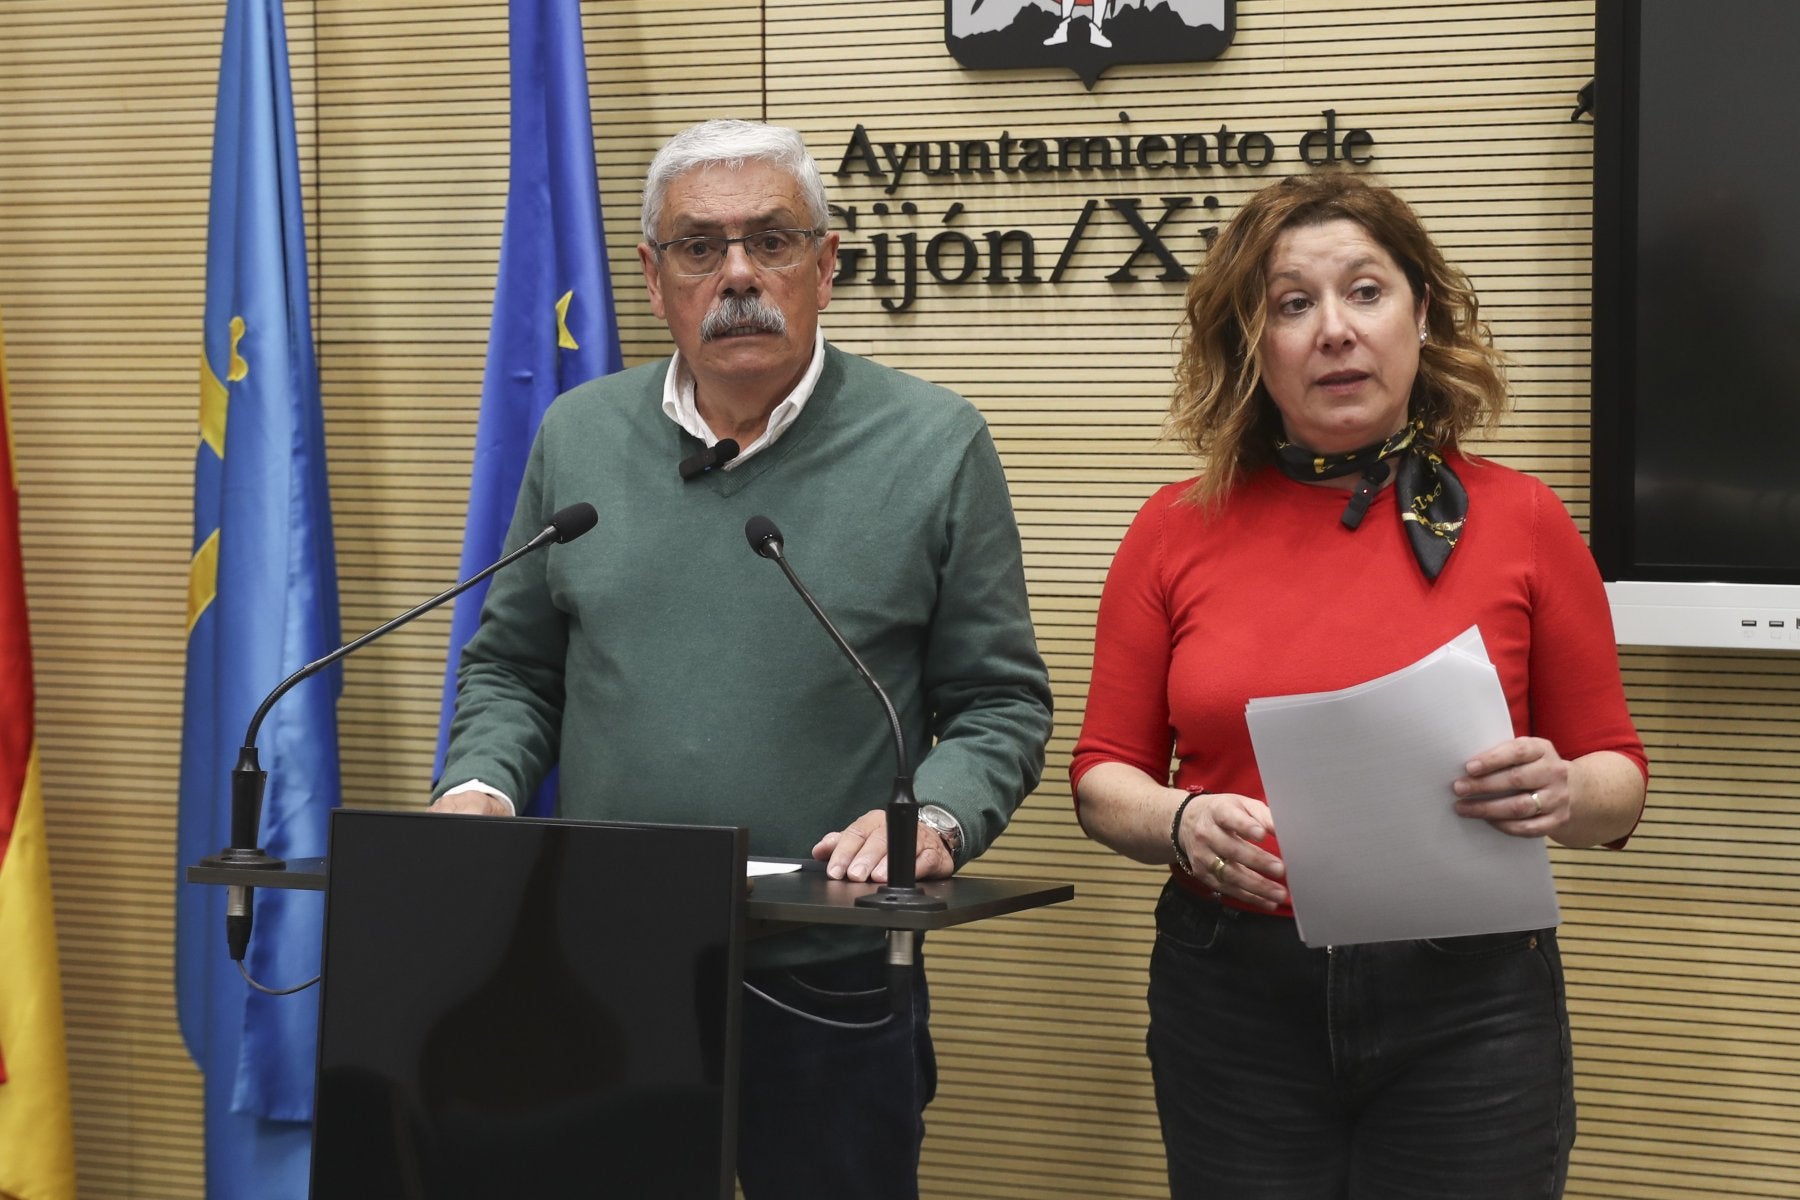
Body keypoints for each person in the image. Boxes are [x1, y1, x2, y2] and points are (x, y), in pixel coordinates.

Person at [432, 118, 1053, 1199]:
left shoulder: (935, 443)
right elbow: (514, 668)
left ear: (829, 260)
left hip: (828, 982)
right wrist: (480, 784)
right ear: (652, 274)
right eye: (699, 246)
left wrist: (934, 820)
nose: (737, 275)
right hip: (600, 969)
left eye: (771, 239)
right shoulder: (578, 436)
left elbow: (998, 704)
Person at [1070, 173, 1648, 1199]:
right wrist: (1181, 820)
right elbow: (1103, 777)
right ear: (1254, 341)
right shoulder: (1172, 529)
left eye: (1365, 292)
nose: (1333, 330)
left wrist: (1564, 790)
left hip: (1471, 1003)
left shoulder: (1523, 519)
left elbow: (1620, 785)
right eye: (1292, 303)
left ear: (1420, 314)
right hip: (1234, 995)